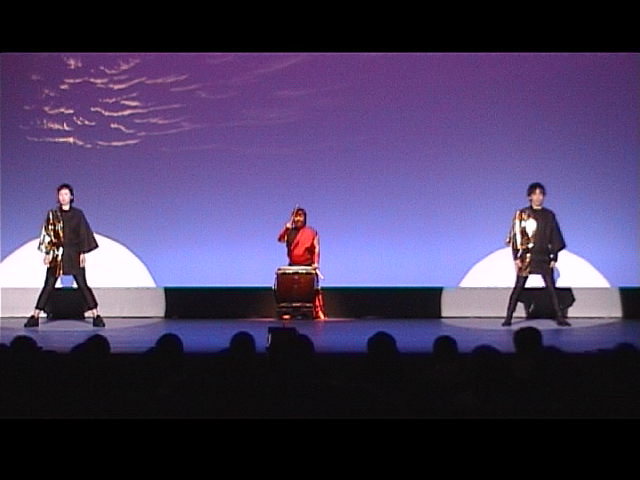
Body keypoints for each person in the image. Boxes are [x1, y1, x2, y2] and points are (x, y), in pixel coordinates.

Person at [24, 184, 105, 328]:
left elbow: (83, 234)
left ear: (71, 196)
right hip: (57, 253)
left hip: (74, 252)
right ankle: (35, 315)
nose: (63, 197)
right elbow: (48, 234)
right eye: (61, 194)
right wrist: (47, 253)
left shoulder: (78, 214)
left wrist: (82, 253)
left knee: (82, 284)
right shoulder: (53, 214)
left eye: (66, 194)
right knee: (49, 284)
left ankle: (96, 315)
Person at [503, 182, 570, 327]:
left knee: (551, 288)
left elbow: (555, 236)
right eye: (535, 194)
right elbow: (516, 237)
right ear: (530, 197)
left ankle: (560, 317)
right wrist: (516, 258)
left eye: (541, 194)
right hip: (527, 256)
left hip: (544, 256)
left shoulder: (549, 215)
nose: (538, 197)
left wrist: (554, 257)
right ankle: (508, 317)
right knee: (518, 287)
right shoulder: (522, 214)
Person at [277, 207, 326, 319]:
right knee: (289, 288)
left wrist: (316, 263)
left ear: (305, 218)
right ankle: (287, 311)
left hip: (308, 265)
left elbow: (316, 248)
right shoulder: (289, 231)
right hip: (293, 265)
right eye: (296, 216)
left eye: (300, 216)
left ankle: (318, 311)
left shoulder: (311, 232)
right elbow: (280, 240)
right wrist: (285, 229)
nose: (298, 219)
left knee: (314, 289)